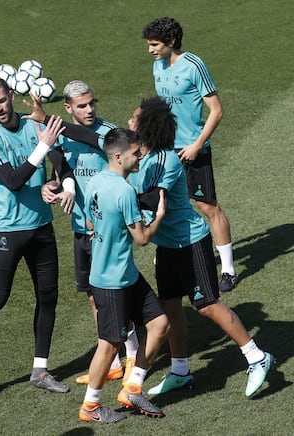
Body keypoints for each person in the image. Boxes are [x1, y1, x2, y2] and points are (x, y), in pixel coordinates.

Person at [127, 96, 275, 397]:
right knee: (169, 309)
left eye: (135, 119)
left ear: (147, 127)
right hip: (168, 247)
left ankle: (257, 357)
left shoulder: (165, 161)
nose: (130, 121)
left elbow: (152, 202)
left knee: (206, 304)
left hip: (190, 243)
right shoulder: (142, 158)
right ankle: (180, 371)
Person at [0, 77, 77, 403]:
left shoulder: (34, 125)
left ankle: (40, 370)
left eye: (2, 101)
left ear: (11, 96)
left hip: (41, 227)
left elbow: (61, 163)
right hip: (8, 231)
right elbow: (14, 181)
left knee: (48, 296)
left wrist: (57, 184)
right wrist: (43, 146)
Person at [40, 81, 139, 385]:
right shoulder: (60, 137)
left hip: (107, 231)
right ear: (68, 108)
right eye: (81, 106)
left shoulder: (108, 134)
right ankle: (110, 361)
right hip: (81, 228)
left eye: (92, 103)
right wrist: (51, 185)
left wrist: (45, 119)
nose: (90, 109)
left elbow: (86, 137)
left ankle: (133, 354)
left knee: (117, 296)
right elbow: (59, 169)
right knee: (94, 297)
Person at [79, 128, 169, 424]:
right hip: (112, 282)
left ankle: (132, 387)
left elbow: (90, 220)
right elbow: (142, 238)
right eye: (135, 153)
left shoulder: (94, 181)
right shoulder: (124, 191)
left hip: (125, 275)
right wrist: (157, 218)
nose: (140, 156)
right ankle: (90, 406)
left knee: (159, 323)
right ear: (118, 156)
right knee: (109, 344)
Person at [142, 17, 237, 293]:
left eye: (155, 44)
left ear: (171, 41)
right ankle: (174, 255)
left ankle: (229, 269)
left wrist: (196, 145)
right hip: (166, 151)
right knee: (166, 203)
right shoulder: (157, 66)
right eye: (149, 44)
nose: (151, 50)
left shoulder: (194, 66)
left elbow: (216, 110)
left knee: (208, 207)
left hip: (193, 149)